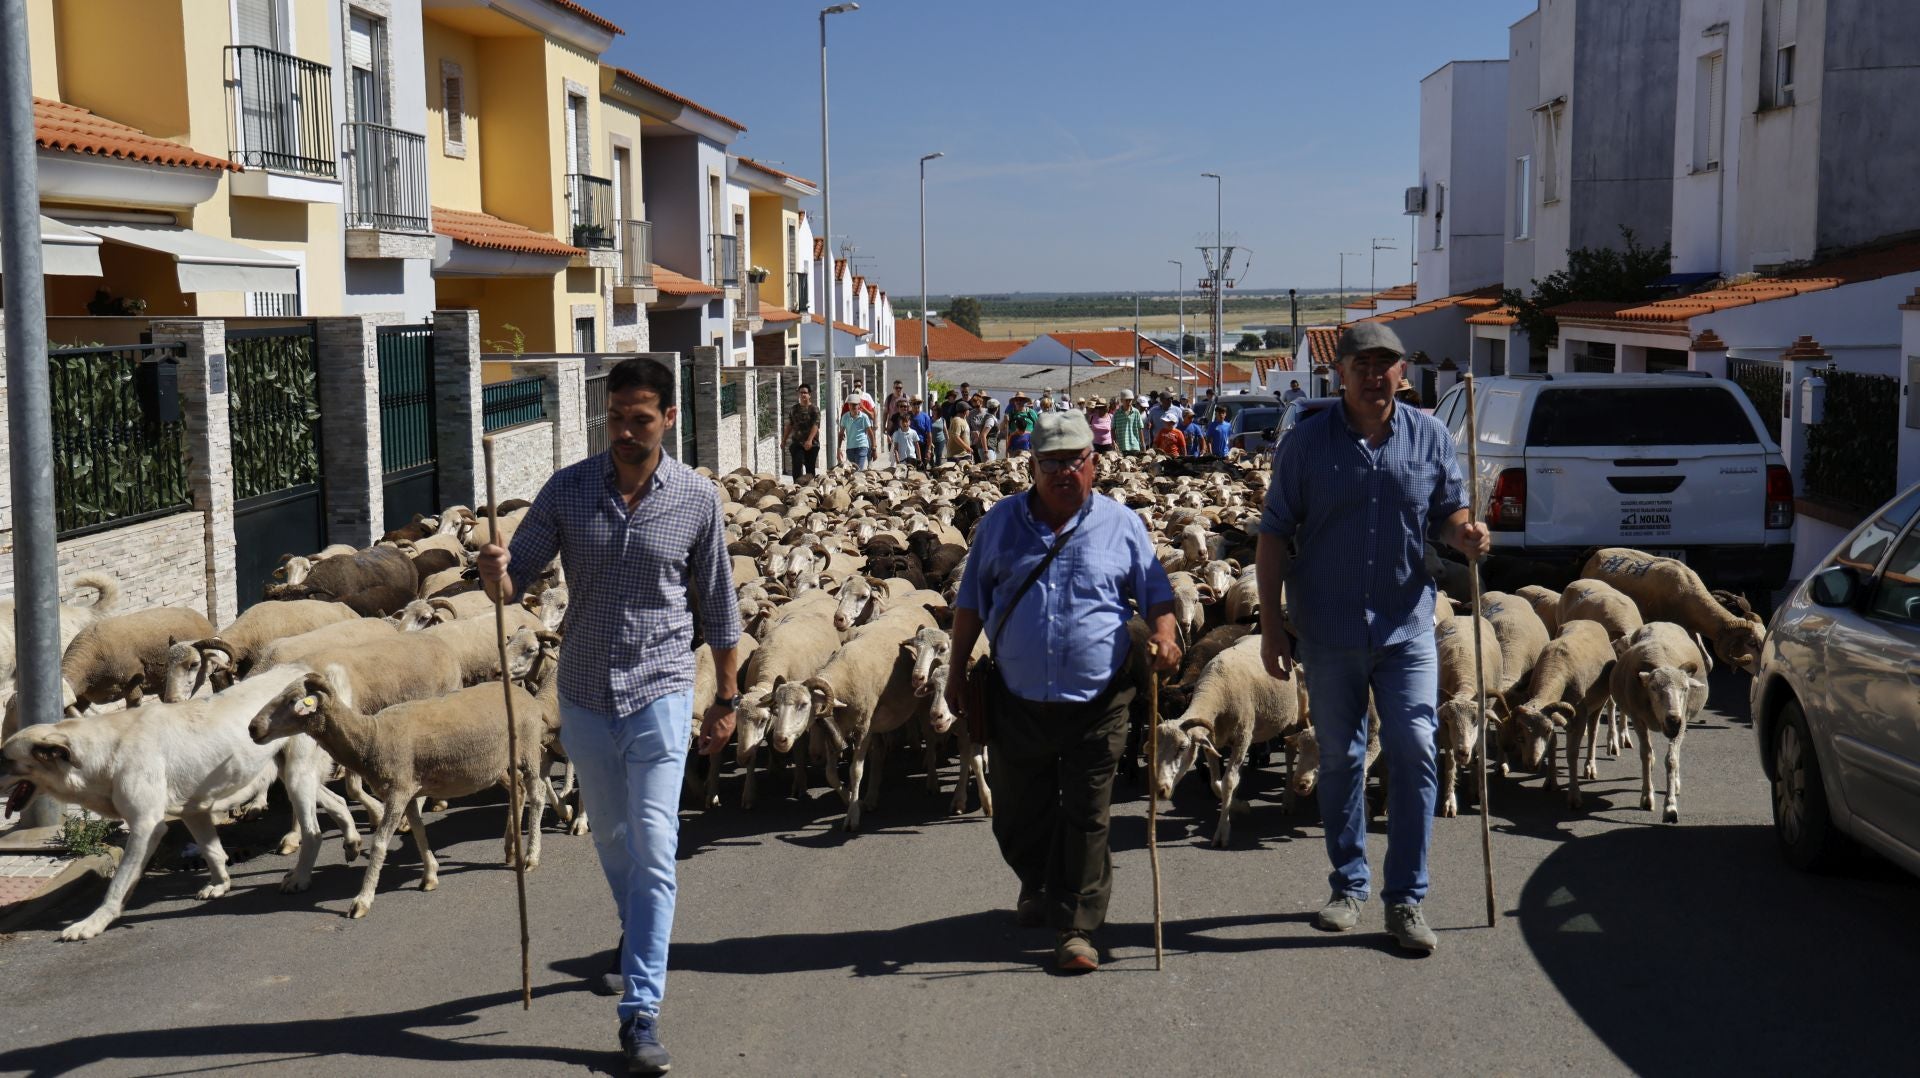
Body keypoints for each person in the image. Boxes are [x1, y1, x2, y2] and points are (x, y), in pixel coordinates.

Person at [477, 356, 739, 1076]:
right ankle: (639, 934)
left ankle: (641, 1011)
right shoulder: (566, 490)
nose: (626, 430)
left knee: (655, 846)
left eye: (641, 418)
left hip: (660, 690)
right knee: (614, 841)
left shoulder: (696, 499)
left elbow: (718, 604)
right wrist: (494, 568)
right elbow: (512, 583)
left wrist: (727, 696)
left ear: (668, 419)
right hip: (586, 696)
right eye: (617, 416)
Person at [1255, 321, 1489, 955]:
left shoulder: (1432, 437)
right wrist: (1271, 624)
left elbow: (1448, 515)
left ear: (1402, 373)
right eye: (1362, 362)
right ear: (1342, 372)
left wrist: (1465, 535)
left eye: (1386, 363)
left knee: (1414, 746)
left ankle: (1406, 899)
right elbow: (1274, 532)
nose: (1373, 373)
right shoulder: (1306, 444)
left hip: (1405, 623)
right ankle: (1348, 884)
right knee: (1341, 757)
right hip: (1328, 628)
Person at [947, 411, 1180, 973]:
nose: (1061, 473)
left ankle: (1077, 927)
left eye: (1073, 461)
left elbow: (1157, 596)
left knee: (1088, 814)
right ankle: (1041, 879)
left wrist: (1167, 637)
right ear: (1032, 466)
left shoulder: (1122, 525)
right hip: (1017, 697)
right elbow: (971, 604)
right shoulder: (1000, 524)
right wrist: (956, 670)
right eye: (1049, 463)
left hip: (1099, 702)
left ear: (1093, 464)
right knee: (1017, 815)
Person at [786, 384, 820, 478]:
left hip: (812, 444)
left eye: (805, 393)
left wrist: (809, 440)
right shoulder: (794, 409)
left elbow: (816, 425)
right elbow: (790, 424)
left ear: (809, 395)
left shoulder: (814, 409)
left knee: (810, 468)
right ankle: (797, 487)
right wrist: (784, 440)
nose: (803, 395)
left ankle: (810, 489)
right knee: (797, 465)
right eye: (801, 393)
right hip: (797, 443)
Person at [838, 400, 874, 470]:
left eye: (855, 405)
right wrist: (838, 449)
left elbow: (870, 433)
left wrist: (874, 448)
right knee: (852, 470)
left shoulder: (864, 417)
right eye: (851, 405)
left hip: (862, 446)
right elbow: (841, 433)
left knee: (858, 470)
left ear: (859, 406)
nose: (853, 407)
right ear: (849, 406)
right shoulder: (845, 417)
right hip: (850, 448)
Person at [1112, 389, 1144, 454]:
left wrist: (1142, 443)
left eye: (1130, 400)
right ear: (1121, 400)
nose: (1129, 402)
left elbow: (1140, 428)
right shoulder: (1116, 413)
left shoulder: (1136, 412)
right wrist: (1114, 442)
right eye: (1126, 400)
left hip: (1134, 446)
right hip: (1121, 446)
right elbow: (1112, 428)